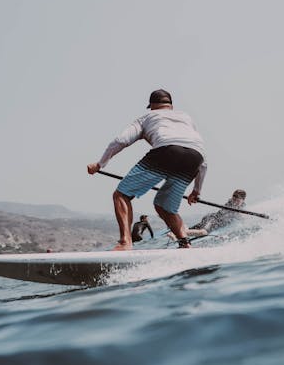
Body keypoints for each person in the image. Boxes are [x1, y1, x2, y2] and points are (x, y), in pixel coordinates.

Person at [87, 89, 207, 250]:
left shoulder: (147, 117)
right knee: (165, 206)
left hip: (167, 151)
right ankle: (184, 244)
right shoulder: (186, 118)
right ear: (170, 106)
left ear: (151, 106)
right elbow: (203, 163)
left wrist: (100, 164)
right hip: (195, 158)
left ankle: (125, 242)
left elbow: (121, 140)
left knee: (121, 195)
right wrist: (196, 191)